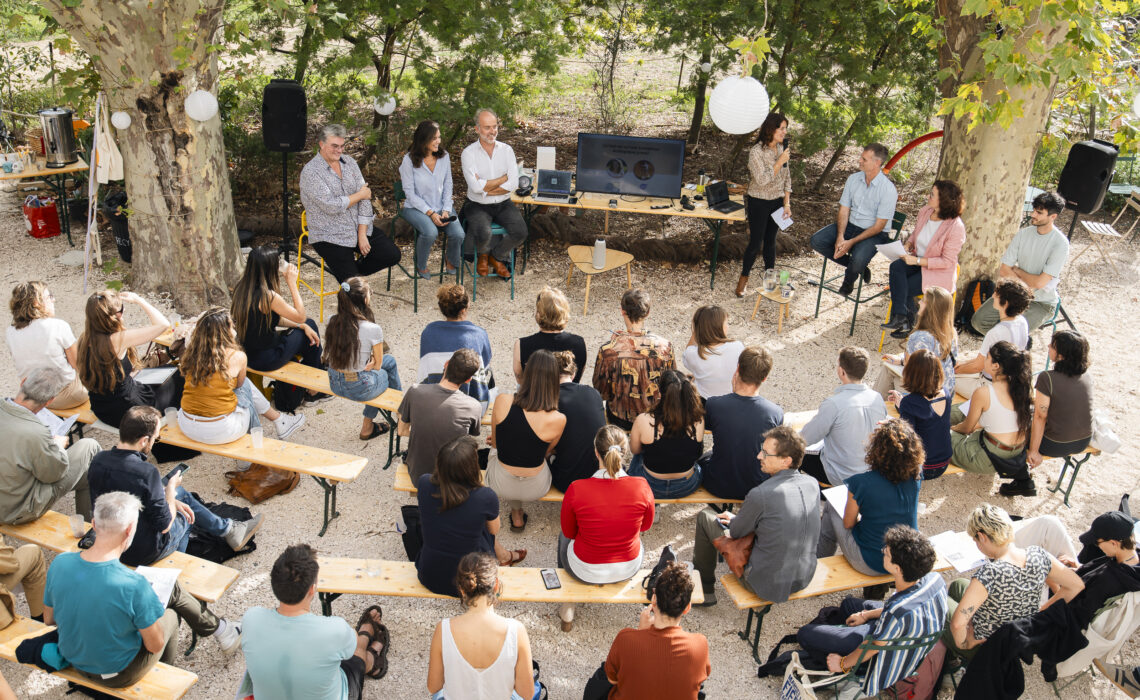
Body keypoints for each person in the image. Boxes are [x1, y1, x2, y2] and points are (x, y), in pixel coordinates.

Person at [43, 492, 241, 689]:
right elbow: (154, 645)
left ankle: (222, 631)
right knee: (171, 615)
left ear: (94, 524)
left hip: (76, 661)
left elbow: (49, 619)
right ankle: (162, 683)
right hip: (117, 674)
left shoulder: (60, 562)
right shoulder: (133, 584)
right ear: (130, 530)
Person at [88, 406, 261, 565]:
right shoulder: (146, 472)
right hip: (140, 552)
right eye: (155, 438)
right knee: (186, 513)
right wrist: (170, 491)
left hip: (108, 540)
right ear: (143, 441)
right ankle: (177, 563)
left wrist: (169, 497)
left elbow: (127, 495)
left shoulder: (98, 461)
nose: (155, 441)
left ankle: (228, 530)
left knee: (180, 496)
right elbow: (165, 524)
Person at [796, 526, 947, 697]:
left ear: (898, 568)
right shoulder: (935, 579)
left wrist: (843, 663)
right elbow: (894, 609)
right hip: (907, 634)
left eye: (887, 553)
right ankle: (840, 637)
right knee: (849, 604)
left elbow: (874, 646)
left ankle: (852, 675)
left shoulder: (897, 612)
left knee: (805, 634)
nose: (883, 551)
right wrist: (865, 615)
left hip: (887, 653)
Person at [691, 426, 819, 606]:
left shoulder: (761, 494)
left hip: (765, 584)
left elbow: (735, 532)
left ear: (786, 461)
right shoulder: (812, 484)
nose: (759, 456)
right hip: (804, 576)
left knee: (705, 516)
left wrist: (737, 520)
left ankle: (705, 590)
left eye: (766, 454)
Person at [242, 544, 388, 700]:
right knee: (355, 656)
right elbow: (348, 649)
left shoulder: (251, 618)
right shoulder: (333, 630)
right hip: (337, 683)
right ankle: (370, 655)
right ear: (312, 590)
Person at [944, 504, 1084, 659]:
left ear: (982, 537)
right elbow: (1076, 585)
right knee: (958, 585)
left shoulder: (990, 573)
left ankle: (957, 656)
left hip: (989, 645)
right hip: (1020, 635)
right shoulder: (1039, 555)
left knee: (939, 603)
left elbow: (957, 624)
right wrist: (1041, 613)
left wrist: (964, 643)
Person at [558, 426, 654, 631]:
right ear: (625, 451)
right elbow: (645, 526)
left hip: (584, 567)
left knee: (562, 537)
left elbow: (569, 532)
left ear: (595, 452)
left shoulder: (576, 488)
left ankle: (567, 604)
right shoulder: (642, 486)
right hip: (628, 565)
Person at [583, 562, 710, 700]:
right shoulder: (700, 644)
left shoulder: (626, 639)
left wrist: (639, 633)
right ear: (687, 608)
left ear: (654, 600)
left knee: (603, 678)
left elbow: (611, 680)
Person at [177, 307, 305, 444]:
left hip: (186, 424)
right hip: (221, 430)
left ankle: (280, 420)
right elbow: (239, 386)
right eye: (232, 325)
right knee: (245, 388)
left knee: (237, 388)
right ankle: (270, 430)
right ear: (224, 332)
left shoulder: (190, 353)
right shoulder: (236, 356)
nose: (235, 329)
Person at [817, 419, 922, 577]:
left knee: (832, 505)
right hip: (905, 558)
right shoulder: (916, 477)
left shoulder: (861, 483)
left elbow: (848, 522)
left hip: (871, 561)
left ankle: (819, 563)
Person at [418, 436, 521, 594]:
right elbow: (494, 530)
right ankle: (504, 556)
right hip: (470, 582)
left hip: (429, 574)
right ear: (472, 467)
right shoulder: (485, 496)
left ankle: (504, 556)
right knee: (485, 528)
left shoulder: (424, 483)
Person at [298, 123, 401, 282]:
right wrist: (359, 195)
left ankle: (351, 274)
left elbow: (366, 197)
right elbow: (332, 206)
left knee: (391, 254)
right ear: (321, 144)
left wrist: (362, 233)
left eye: (342, 146)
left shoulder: (350, 163)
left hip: (357, 228)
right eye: (334, 146)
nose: (339, 150)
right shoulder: (311, 172)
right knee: (354, 288)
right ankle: (351, 278)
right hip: (330, 235)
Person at [427, 552, 536, 700]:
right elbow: (527, 693)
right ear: (496, 585)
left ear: (462, 589)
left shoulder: (443, 629)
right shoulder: (516, 630)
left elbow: (433, 686)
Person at [0, 367, 99, 524]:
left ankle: (88, 526)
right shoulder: (37, 433)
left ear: (23, 382)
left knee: (89, 473)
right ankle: (91, 530)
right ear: (50, 401)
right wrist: (58, 446)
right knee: (90, 447)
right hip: (16, 510)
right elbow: (53, 475)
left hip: (8, 490)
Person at [486, 350, 566, 535]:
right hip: (536, 488)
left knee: (494, 453)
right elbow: (546, 452)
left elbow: (496, 444)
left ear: (526, 375)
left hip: (501, 484)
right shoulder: (558, 418)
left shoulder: (503, 401)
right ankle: (517, 514)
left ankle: (516, 513)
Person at [77, 290, 183, 428]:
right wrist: (139, 300)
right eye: (122, 309)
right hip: (128, 410)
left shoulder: (84, 339)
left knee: (164, 370)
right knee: (179, 376)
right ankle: (168, 439)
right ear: (116, 315)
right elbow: (162, 325)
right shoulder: (117, 340)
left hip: (102, 409)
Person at [231, 247, 326, 398]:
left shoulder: (241, 288)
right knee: (311, 325)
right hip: (266, 358)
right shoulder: (268, 296)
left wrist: (300, 326)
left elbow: (275, 320)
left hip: (249, 353)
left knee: (307, 327)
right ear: (270, 269)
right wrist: (292, 283)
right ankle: (313, 388)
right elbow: (301, 316)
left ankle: (312, 376)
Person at [971, 190, 1069, 335]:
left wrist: (1018, 271)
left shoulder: (1060, 243)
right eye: (1034, 210)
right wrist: (1023, 281)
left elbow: (1040, 284)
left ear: (1053, 216)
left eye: (1039, 213)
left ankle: (1010, 345)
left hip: (1041, 302)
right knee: (978, 322)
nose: (1033, 215)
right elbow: (1004, 270)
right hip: (1014, 294)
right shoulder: (1023, 234)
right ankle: (1003, 343)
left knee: (1010, 332)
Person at [809, 143, 898, 295]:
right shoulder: (853, 179)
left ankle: (849, 281)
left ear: (877, 163)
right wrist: (840, 237)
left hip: (875, 234)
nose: (859, 161)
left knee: (858, 259)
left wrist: (850, 243)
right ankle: (860, 267)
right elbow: (844, 209)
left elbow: (878, 227)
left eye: (864, 159)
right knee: (817, 241)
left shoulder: (888, 190)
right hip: (851, 226)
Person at [880, 180, 966, 334]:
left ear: (943, 201)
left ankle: (906, 320)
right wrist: (908, 245)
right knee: (896, 267)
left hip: (938, 272)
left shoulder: (956, 227)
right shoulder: (925, 211)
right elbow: (916, 234)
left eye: (932, 195)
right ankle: (902, 317)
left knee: (902, 286)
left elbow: (947, 262)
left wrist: (918, 261)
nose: (928, 196)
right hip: (917, 261)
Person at [699, 346, 784, 501]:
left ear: (738, 369)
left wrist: (733, 392)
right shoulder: (775, 413)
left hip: (718, 484)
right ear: (764, 378)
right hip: (755, 485)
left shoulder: (714, 405)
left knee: (704, 458)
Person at [950, 341, 1035, 495]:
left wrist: (951, 430)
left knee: (938, 434)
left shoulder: (984, 392)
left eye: (987, 357)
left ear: (996, 366)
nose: (984, 360)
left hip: (989, 457)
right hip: (1015, 455)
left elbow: (966, 428)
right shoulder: (1022, 389)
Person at [323, 277, 401, 441]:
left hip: (334, 382)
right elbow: (378, 365)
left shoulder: (332, 320)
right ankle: (399, 414)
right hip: (358, 386)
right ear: (365, 300)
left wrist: (368, 361)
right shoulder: (372, 329)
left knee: (390, 362)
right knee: (386, 370)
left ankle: (377, 422)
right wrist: (372, 361)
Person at [799, 346, 887, 487]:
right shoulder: (877, 398)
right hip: (868, 470)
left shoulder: (834, 404)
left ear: (842, 371)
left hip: (839, 474)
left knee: (794, 454)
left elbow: (805, 439)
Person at [591, 288, 675, 430]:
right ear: (647, 313)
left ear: (622, 311)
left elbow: (600, 391)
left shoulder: (607, 350)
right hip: (654, 416)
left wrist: (616, 346)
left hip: (620, 417)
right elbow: (671, 386)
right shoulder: (665, 347)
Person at [397, 348, 483, 483]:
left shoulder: (415, 391)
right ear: (468, 380)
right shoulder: (474, 406)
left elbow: (401, 431)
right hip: (452, 479)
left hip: (418, 476)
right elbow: (469, 439)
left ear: (446, 364)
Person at [459, 108, 528, 279]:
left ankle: (495, 256)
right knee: (483, 232)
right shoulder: (468, 153)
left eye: (495, 126)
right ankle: (482, 255)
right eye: (487, 127)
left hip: (503, 203)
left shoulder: (507, 150)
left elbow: (512, 183)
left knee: (521, 232)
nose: (492, 131)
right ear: (477, 129)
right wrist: (502, 179)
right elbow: (475, 188)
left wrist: (485, 186)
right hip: (477, 205)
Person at [398, 119, 466, 278]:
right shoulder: (408, 161)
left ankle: (451, 260)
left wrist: (446, 209)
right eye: (434, 138)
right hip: (415, 208)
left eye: (439, 137)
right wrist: (430, 213)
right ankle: (421, 265)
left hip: (441, 206)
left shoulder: (444, 156)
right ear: (423, 139)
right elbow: (409, 194)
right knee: (430, 232)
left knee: (458, 234)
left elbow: (448, 184)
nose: (438, 141)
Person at [7, 281, 87, 409]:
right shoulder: (58, 326)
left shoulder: (10, 332)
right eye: (50, 297)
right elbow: (78, 365)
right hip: (66, 395)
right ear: (36, 303)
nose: (54, 300)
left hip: (32, 397)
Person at [627, 370, 705, 499]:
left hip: (650, 485)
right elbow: (698, 452)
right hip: (686, 485)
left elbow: (635, 450)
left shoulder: (644, 419)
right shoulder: (698, 419)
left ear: (660, 392)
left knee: (638, 456)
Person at [738, 112, 792, 297]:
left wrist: (787, 203)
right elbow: (761, 180)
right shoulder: (756, 152)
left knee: (771, 242)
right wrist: (779, 161)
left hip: (777, 202)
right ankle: (743, 279)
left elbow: (787, 178)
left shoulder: (781, 149)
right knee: (755, 243)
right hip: (758, 202)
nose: (785, 132)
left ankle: (770, 283)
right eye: (781, 128)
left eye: (786, 128)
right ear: (771, 128)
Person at [874, 286, 958, 399]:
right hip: (946, 391)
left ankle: (874, 406)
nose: (919, 302)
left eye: (923, 300)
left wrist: (905, 361)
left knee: (888, 369)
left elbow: (910, 374)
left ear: (930, 308)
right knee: (891, 370)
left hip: (926, 396)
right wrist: (901, 361)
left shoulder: (918, 337)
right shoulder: (951, 332)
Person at [418, 283, 493, 406]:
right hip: (469, 401)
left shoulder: (428, 332)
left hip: (431, 399)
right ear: (463, 309)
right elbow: (484, 367)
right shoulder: (479, 334)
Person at [954, 278, 1031, 396]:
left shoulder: (996, 332)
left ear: (1005, 303)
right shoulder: (1022, 322)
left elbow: (978, 366)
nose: (993, 295)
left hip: (990, 386)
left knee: (946, 379)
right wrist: (962, 364)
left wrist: (955, 371)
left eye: (996, 293)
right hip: (1009, 380)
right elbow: (981, 361)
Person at [1029, 330, 1093, 468]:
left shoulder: (1047, 378)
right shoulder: (1087, 376)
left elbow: (1040, 416)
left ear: (1061, 356)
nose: (1048, 346)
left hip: (1054, 444)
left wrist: (1034, 451)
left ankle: (1021, 480)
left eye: (1052, 345)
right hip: (1083, 441)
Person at [887, 349, 952, 480]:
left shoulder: (910, 403)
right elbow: (926, 414)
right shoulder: (946, 393)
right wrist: (902, 404)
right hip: (944, 460)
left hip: (923, 467)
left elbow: (905, 439)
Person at [547, 350, 606, 494]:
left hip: (566, 480)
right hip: (597, 473)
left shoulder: (549, 399)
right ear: (573, 375)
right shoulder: (593, 393)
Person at [513, 286, 587, 383]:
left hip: (535, 396)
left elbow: (520, 379)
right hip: (569, 395)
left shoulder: (521, 344)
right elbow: (578, 376)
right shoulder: (579, 343)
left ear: (539, 314)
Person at [681, 305, 745, 400]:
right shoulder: (738, 346)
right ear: (719, 327)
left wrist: (697, 330)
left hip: (706, 403)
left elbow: (688, 350)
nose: (728, 327)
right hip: (732, 400)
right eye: (727, 323)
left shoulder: (693, 354)